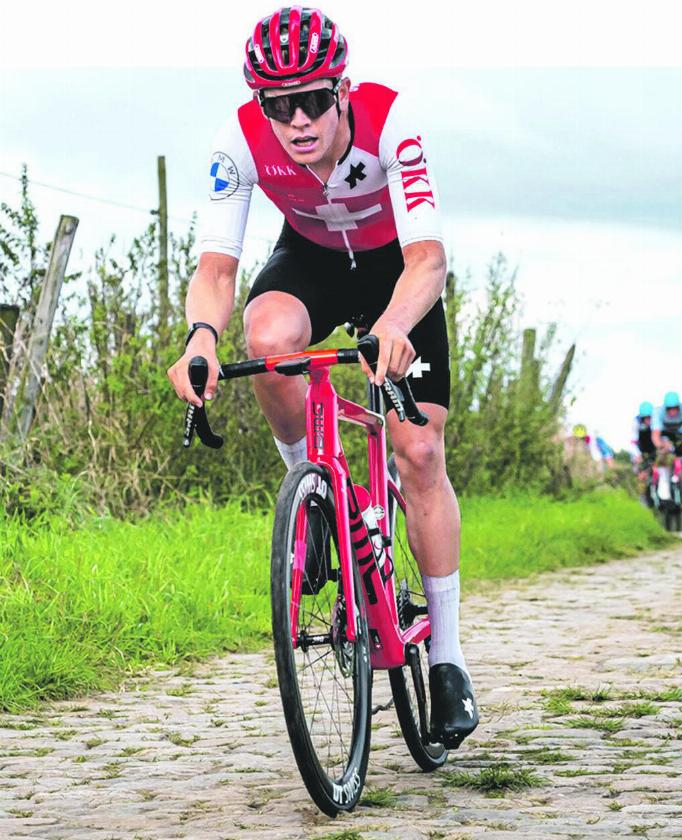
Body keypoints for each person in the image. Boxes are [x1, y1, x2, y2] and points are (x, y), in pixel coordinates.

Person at [167, 6, 478, 748]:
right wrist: (199, 339)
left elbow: (428, 258)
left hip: (393, 271)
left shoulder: (389, 120)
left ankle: (447, 659)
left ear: (341, 90)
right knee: (266, 340)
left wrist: (395, 327)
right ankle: (315, 493)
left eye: (312, 99)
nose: (298, 120)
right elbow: (216, 268)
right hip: (309, 258)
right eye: (281, 105)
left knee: (422, 453)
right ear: (261, 103)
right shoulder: (237, 142)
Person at [651, 391, 682, 523]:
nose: (672, 411)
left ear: (679, 406)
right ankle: (665, 488)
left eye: (675, 408)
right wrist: (661, 446)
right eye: (669, 409)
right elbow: (655, 435)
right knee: (664, 457)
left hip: (680, 436)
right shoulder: (658, 413)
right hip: (665, 436)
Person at [630, 401, 656, 505]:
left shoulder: (657, 421)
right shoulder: (636, 422)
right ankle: (643, 500)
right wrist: (638, 455)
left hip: (654, 450)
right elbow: (633, 442)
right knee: (641, 475)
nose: (648, 420)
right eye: (646, 418)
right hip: (640, 451)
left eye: (650, 417)